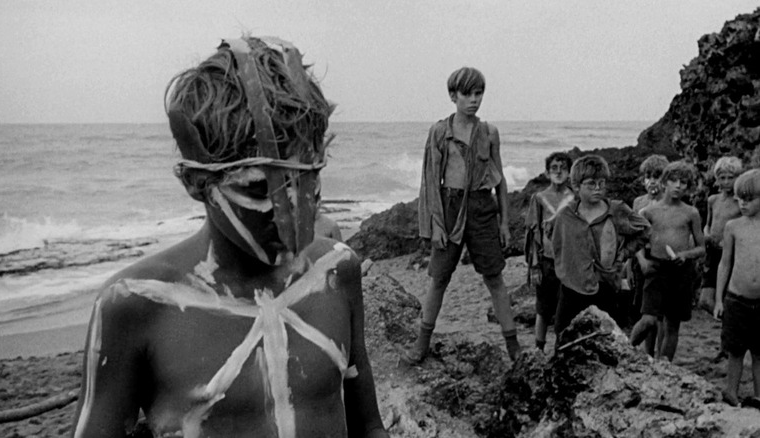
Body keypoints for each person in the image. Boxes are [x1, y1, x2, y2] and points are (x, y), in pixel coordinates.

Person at [71, 36, 388, 438]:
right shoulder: (137, 302)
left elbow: (369, 427)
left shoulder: (336, 271)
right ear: (196, 183)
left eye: (306, 183)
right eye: (258, 190)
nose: (290, 211)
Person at [405, 66, 519, 364]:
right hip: (449, 206)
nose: (474, 100)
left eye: (478, 93)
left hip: (482, 208)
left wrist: (504, 222)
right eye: (467, 94)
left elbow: (500, 178)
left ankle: (514, 347)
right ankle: (421, 344)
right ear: (453, 96)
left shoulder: (489, 132)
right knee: (438, 279)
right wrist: (436, 223)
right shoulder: (440, 131)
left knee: (494, 278)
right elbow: (430, 181)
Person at [549, 154, 650, 341]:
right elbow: (553, 238)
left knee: (606, 336)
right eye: (591, 184)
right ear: (577, 187)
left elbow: (644, 231)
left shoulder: (616, 210)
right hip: (572, 286)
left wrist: (622, 255)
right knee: (564, 335)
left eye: (601, 183)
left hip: (606, 284)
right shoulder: (565, 215)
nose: (597, 189)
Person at [630, 161, 705, 362]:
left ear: (688, 187)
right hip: (656, 268)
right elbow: (634, 242)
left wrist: (685, 255)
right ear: (664, 183)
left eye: (684, 182)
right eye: (674, 181)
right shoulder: (648, 212)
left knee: (672, 324)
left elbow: (701, 248)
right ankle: (627, 351)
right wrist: (643, 262)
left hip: (680, 271)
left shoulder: (691, 213)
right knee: (648, 320)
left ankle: (665, 366)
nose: (678, 186)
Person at [713, 169, 760, 408]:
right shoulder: (733, 226)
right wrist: (719, 300)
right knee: (735, 349)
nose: (743, 203)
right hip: (736, 298)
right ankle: (731, 391)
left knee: (759, 352)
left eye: (750, 199)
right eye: (739, 198)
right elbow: (725, 263)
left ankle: (759, 395)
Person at [524, 152, 574, 352]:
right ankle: (538, 349)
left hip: (568, 263)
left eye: (563, 168)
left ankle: (561, 348)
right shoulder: (539, 198)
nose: (559, 172)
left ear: (570, 173)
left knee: (566, 309)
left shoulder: (574, 199)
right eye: (554, 168)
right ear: (546, 172)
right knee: (543, 310)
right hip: (546, 261)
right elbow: (532, 234)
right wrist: (534, 265)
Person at [626, 154, 669, 352]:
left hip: (661, 261)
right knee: (644, 310)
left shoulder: (669, 204)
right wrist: (630, 264)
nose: (652, 181)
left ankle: (660, 354)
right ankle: (648, 353)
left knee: (660, 315)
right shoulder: (638, 203)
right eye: (648, 176)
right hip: (640, 260)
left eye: (657, 176)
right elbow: (632, 236)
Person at [698, 156, 742, 312]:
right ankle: (727, 323)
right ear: (717, 179)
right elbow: (708, 224)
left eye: (731, 178)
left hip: (731, 254)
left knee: (727, 298)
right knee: (704, 300)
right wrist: (707, 234)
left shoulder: (741, 202)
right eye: (722, 178)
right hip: (713, 252)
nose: (726, 182)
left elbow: (744, 227)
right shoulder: (713, 200)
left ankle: (730, 328)